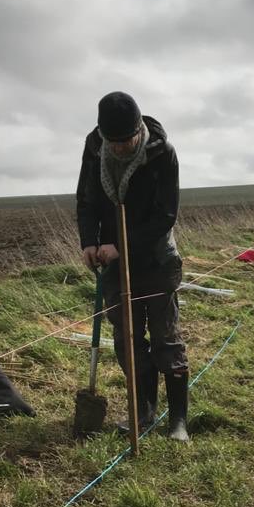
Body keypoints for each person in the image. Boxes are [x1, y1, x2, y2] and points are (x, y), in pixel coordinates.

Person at [76, 91, 189, 441]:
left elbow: (166, 216)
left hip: (156, 260)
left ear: (139, 129)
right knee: (128, 343)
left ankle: (178, 422)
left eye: (127, 140)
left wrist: (120, 246)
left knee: (165, 340)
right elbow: (86, 199)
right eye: (114, 141)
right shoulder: (95, 148)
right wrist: (89, 243)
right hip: (112, 262)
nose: (121, 148)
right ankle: (144, 412)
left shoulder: (162, 153)